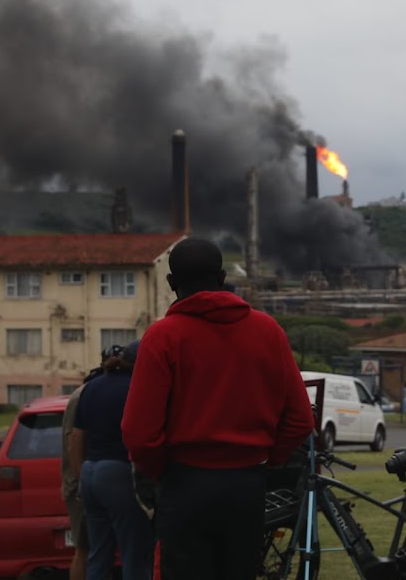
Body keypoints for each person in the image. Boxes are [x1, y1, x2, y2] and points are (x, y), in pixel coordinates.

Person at [121, 237, 315, 580]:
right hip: (247, 486)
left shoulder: (162, 337)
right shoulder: (267, 330)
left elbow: (137, 431)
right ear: (223, 277)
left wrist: (160, 472)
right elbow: (300, 418)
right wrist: (269, 459)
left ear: (171, 283)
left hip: (184, 486)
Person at [71, 341, 155, 580]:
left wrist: (80, 477)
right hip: (120, 473)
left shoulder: (92, 387)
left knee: (98, 554)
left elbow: (77, 437)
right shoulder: (137, 388)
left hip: (90, 474)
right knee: (134, 554)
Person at [61, 359, 108, 580]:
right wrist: (82, 483)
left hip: (87, 481)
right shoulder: (85, 395)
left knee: (94, 551)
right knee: (85, 550)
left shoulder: (85, 393)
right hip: (83, 483)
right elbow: (74, 440)